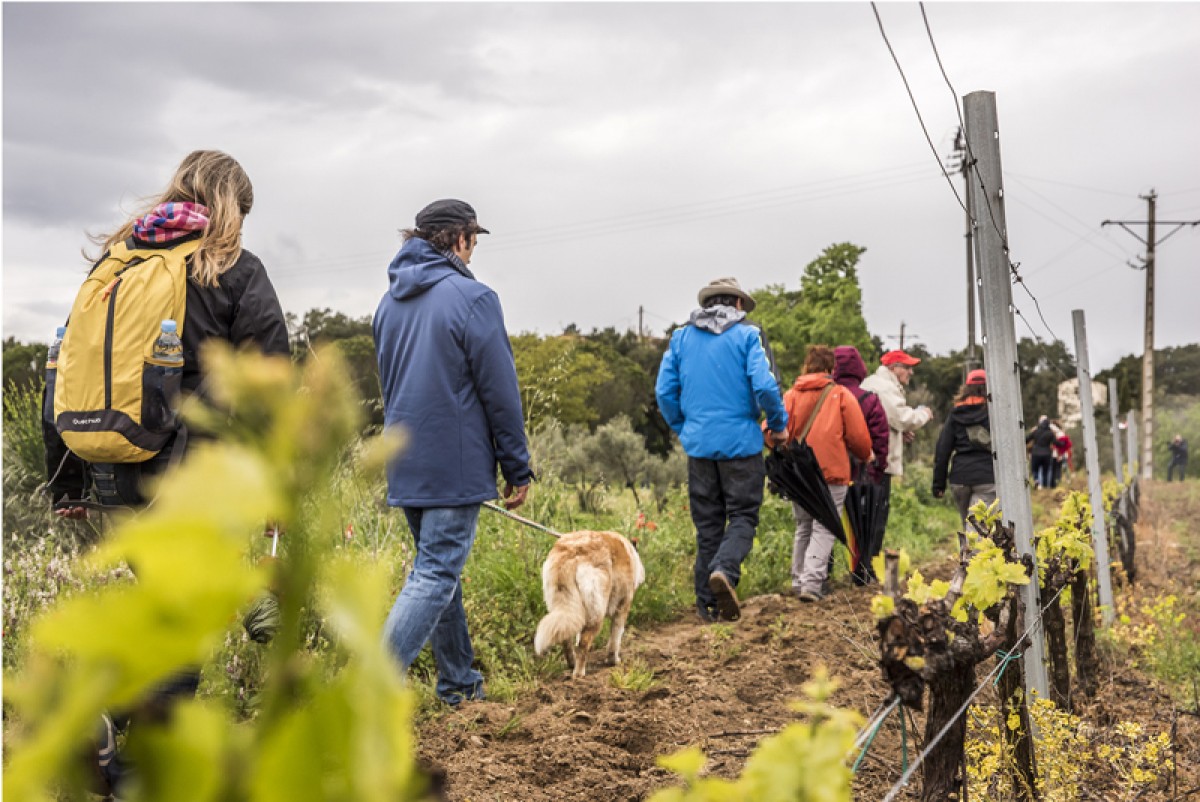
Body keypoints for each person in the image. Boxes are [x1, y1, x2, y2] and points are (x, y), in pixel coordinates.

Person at [42, 150, 290, 797]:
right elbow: (271, 388)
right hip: (190, 482)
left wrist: (67, 483)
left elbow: (64, 369)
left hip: (112, 471)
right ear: (231, 205)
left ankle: (98, 729)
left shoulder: (117, 262)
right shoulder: (232, 269)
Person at [375, 198, 532, 706]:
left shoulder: (388, 304)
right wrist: (517, 466)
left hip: (403, 461)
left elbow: (388, 387)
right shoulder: (474, 298)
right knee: (437, 573)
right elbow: (500, 391)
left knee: (436, 571)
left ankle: (459, 684)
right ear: (459, 239)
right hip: (452, 462)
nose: (474, 250)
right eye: (473, 240)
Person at [656, 277, 787, 623]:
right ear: (738, 304)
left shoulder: (681, 337)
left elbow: (664, 392)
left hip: (699, 447)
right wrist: (778, 425)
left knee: (708, 525)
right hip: (741, 445)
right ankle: (725, 571)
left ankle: (708, 606)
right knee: (743, 516)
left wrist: (685, 427)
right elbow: (766, 387)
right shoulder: (748, 335)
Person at [783, 345, 872, 602]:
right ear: (831, 368)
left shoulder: (790, 396)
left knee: (803, 526)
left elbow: (772, 430)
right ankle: (812, 583)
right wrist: (866, 454)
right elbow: (858, 437)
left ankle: (798, 581)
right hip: (831, 472)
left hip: (798, 474)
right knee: (824, 527)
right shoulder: (840, 395)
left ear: (806, 366)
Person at [859, 350, 933, 551]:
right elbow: (902, 417)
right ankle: (869, 561)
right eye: (907, 368)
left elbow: (884, 420)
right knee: (876, 515)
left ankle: (864, 560)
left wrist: (898, 433)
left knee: (867, 515)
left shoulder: (872, 383)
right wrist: (924, 414)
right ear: (895, 368)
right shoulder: (885, 387)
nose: (911, 372)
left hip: (866, 459)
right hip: (879, 463)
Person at [932, 369, 996, 525]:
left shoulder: (955, 414)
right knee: (981, 529)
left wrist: (938, 484)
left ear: (966, 388)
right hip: (987, 478)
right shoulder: (993, 413)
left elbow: (942, 450)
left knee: (968, 525)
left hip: (960, 479)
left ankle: (968, 541)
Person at [1026, 416, 1057, 489]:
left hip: (1036, 453)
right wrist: (1063, 443)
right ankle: (1045, 487)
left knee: (1035, 469)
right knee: (1045, 472)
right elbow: (1056, 442)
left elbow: (1027, 439)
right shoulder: (1050, 433)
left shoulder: (1036, 431)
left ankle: (1037, 480)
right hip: (1047, 454)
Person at [1050, 421, 1072, 486]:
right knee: (1061, 467)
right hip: (1060, 454)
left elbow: (1061, 445)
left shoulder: (1059, 434)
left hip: (1060, 454)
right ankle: (1064, 480)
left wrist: (1059, 455)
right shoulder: (1061, 433)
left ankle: (1059, 481)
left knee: (1060, 468)